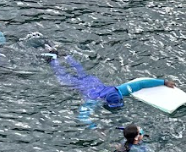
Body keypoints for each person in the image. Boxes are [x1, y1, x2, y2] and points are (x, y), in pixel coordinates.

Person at [44, 48, 176, 128]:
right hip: (82, 85)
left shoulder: (119, 90)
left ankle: (66, 56)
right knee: (63, 77)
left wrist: (164, 82)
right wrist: (96, 128)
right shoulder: (97, 99)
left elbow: (142, 83)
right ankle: (55, 59)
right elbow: (82, 116)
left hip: (91, 83)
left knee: (80, 72)